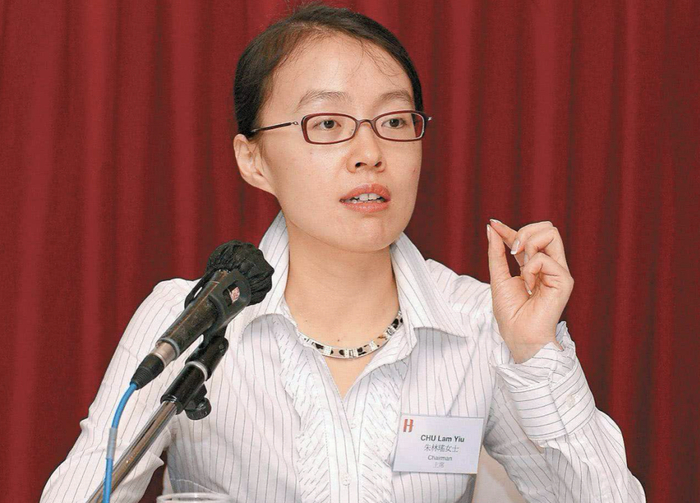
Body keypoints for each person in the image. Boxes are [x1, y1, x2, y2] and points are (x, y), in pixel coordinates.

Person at [41, 3, 646, 502]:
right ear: (253, 159)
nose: (370, 153)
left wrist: (536, 353)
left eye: (394, 121)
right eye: (328, 124)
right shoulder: (191, 320)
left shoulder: (478, 324)